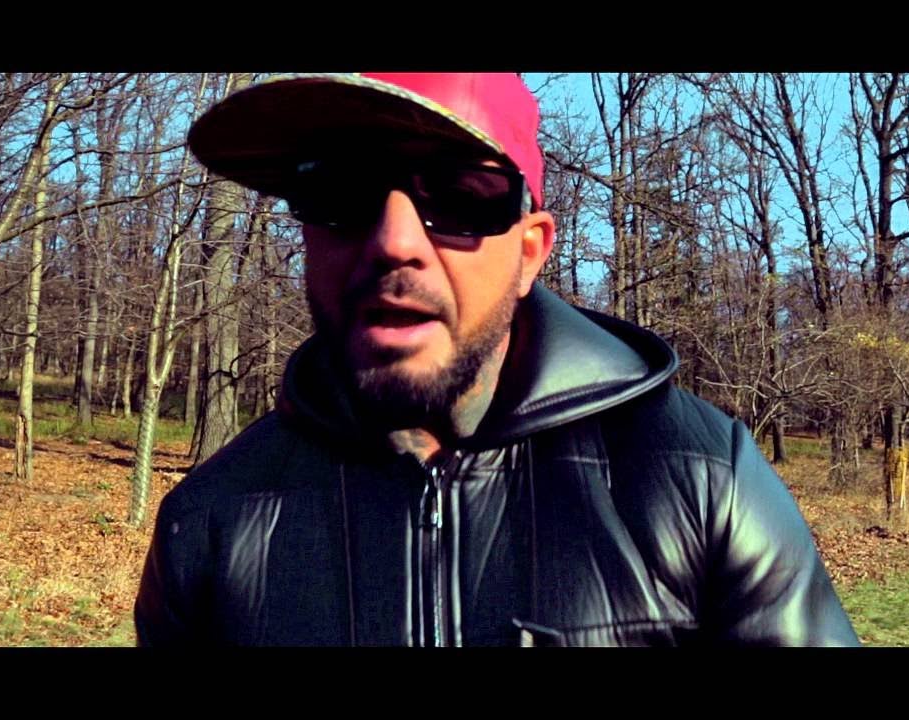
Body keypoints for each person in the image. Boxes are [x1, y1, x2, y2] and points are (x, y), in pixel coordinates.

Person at [134, 72, 860, 646]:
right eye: (341, 190)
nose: (394, 242)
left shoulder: (701, 479)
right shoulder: (208, 524)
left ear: (529, 254)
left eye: (461, 194)